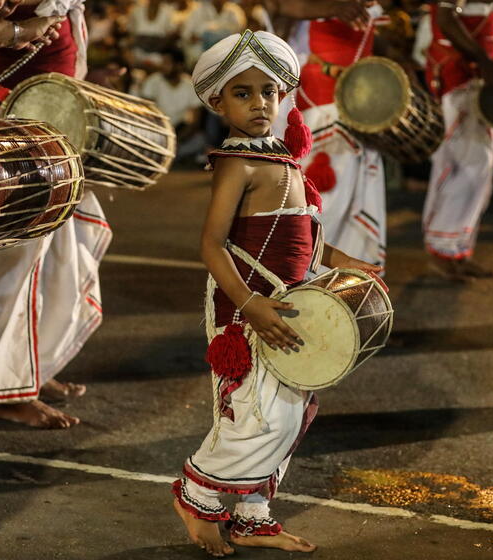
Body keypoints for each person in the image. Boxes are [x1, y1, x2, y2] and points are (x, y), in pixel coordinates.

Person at [173, 29, 382, 557]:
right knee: (256, 416)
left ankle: (251, 514)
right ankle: (196, 498)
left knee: (289, 410)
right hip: (251, 312)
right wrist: (251, 305)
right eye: (243, 93)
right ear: (217, 101)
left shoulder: (279, 159)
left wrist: (345, 262)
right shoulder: (237, 164)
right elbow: (212, 245)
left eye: (268, 92)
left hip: (291, 304)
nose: (261, 103)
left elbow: (304, 235)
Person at [0, 0, 113, 430]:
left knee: (56, 261)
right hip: (13, 136)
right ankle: (6, 389)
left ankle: (31, 368)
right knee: (14, 272)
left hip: (47, 134)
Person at [291, 2, 389, 268]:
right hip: (324, 96)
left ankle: (348, 276)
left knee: (356, 186)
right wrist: (331, 7)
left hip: (360, 97)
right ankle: (307, 270)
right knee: (329, 191)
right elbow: (282, 5)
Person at [422, 0, 493, 280]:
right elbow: (446, 18)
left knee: (480, 169)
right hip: (458, 79)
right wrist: (483, 61)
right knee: (463, 165)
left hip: (478, 80)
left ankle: (459, 250)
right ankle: (441, 249)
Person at [139, 49, 206, 162]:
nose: (162, 66)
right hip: (158, 131)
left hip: (179, 133)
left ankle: (166, 156)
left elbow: (195, 121)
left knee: (200, 140)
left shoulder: (190, 85)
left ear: (179, 65)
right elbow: (146, 115)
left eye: (167, 63)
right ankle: (171, 156)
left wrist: (177, 140)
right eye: (162, 62)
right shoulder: (153, 81)